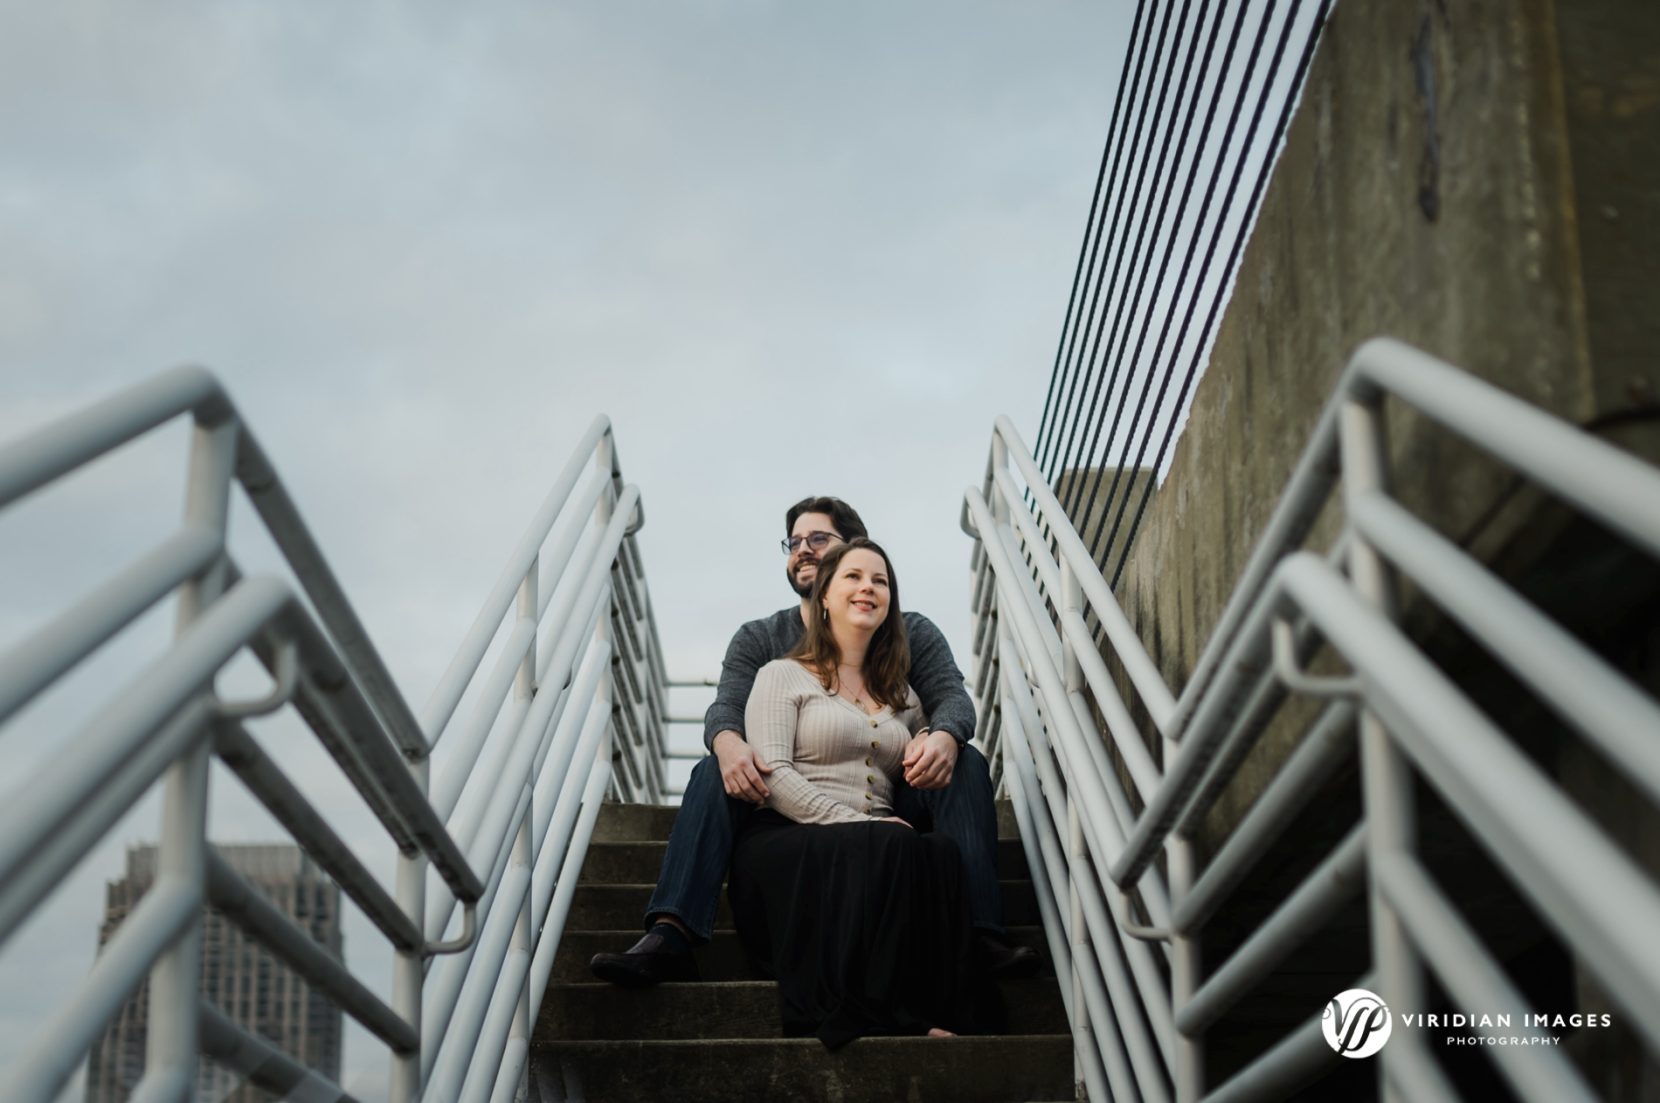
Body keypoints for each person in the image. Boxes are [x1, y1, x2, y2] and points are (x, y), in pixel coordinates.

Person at [588, 496, 1037, 985]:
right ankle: (671, 932)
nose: (802, 550)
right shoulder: (761, 638)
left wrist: (943, 736)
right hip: (780, 800)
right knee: (714, 768)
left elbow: (951, 697)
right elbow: (726, 706)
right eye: (794, 542)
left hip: (892, 792)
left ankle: (979, 934)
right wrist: (726, 741)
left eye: (818, 540)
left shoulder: (909, 633)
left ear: (854, 552)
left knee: (965, 761)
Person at [727, 537, 995, 1047]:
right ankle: (885, 1015)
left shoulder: (902, 694)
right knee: (896, 843)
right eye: (853, 577)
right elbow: (775, 776)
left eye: (880, 580)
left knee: (937, 852)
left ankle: (951, 1016)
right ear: (823, 596)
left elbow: (931, 733)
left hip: (875, 845)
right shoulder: (781, 675)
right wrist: (859, 824)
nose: (868, 587)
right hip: (790, 838)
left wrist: (931, 740)